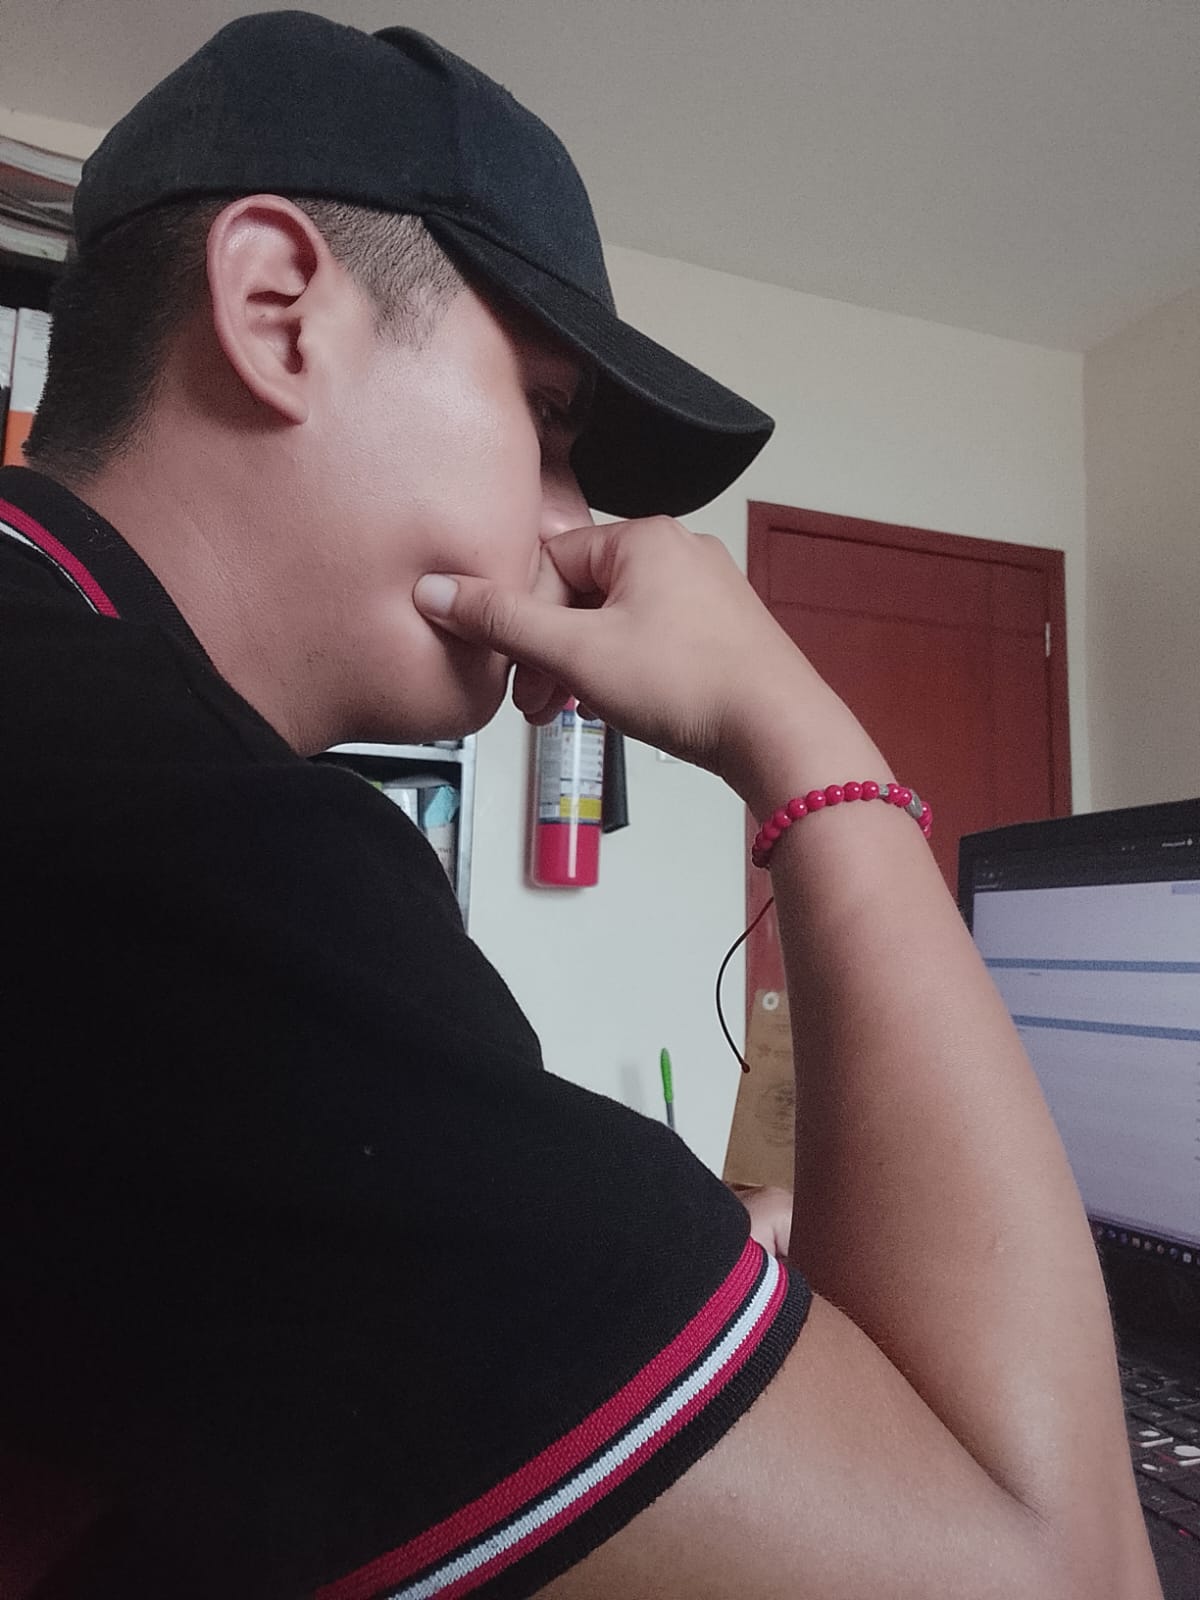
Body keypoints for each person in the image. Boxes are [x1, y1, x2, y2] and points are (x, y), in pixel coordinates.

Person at [0, 13, 1159, 1600]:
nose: (573, 527)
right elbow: (1059, 1572)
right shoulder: (172, 835)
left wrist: (661, 1240)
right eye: (550, 423)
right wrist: (800, 736)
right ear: (278, 313)